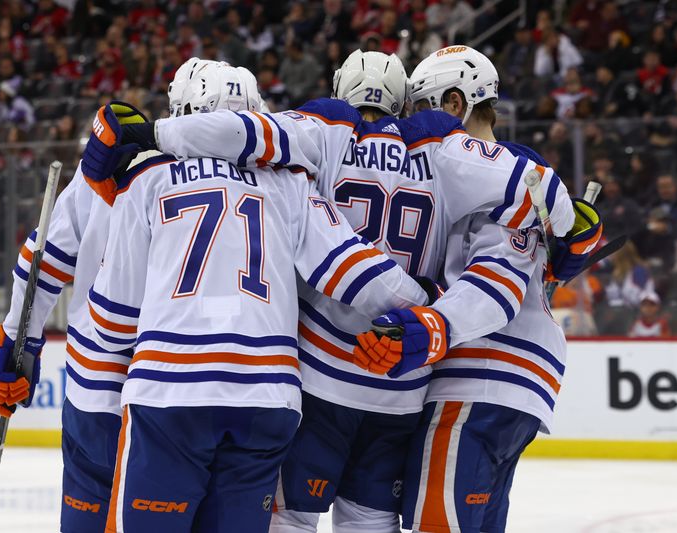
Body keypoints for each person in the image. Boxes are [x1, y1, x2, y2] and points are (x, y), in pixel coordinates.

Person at [115, 48, 575, 532]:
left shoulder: (328, 130)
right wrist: (568, 234)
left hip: (321, 375)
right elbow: (541, 187)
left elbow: (245, 136)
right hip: (402, 385)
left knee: (289, 517)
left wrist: (152, 135)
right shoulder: (439, 147)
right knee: (369, 521)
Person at [85, 63, 434, 533]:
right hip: (267, 396)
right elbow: (354, 274)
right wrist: (430, 302)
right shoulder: (291, 182)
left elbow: (113, 321)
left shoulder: (147, 177)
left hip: (170, 392)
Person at [352, 45, 602, 533]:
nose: (414, 128)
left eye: (423, 109)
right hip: (515, 384)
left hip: (479, 374)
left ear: (453, 104)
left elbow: (497, 278)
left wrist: (434, 327)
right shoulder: (512, 176)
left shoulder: (488, 174)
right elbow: (548, 256)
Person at [0, 58, 220, 533]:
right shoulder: (267, 181)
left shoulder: (117, 162)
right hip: (190, 391)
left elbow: (43, 258)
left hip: (96, 389)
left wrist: (16, 343)